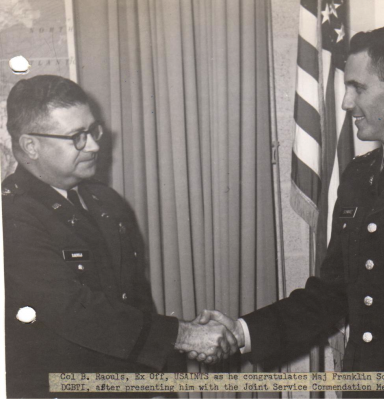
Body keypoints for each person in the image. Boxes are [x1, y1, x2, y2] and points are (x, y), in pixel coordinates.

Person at [193, 26, 384, 398]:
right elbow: (332, 293)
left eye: (358, 87)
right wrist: (242, 331)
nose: (346, 103)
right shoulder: (360, 176)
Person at [2, 75, 236, 399]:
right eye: (77, 137)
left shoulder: (105, 202)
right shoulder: (11, 216)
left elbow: (135, 304)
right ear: (31, 145)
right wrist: (182, 336)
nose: (95, 146)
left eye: (93, 131)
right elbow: (74, 311)